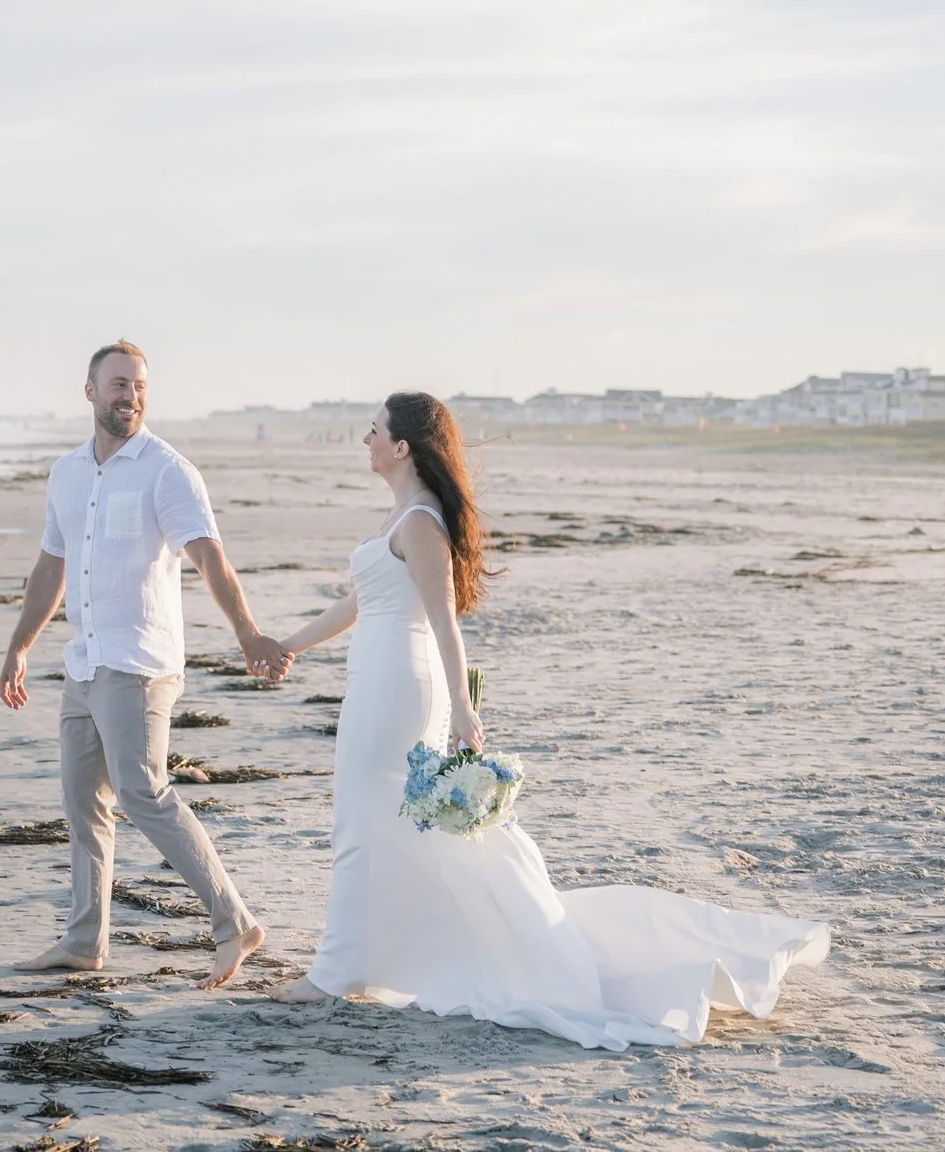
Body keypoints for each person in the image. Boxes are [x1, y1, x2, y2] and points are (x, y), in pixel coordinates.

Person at [263, 391, 830, 1049]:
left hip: (399, 688)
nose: (365, 440)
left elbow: (445, 623)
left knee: (365, 822)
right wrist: (287, 647)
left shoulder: (419, 523)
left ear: (402, 446)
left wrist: (463, 708)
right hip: (375, 682)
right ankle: (364, 960)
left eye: (374, 431)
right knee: (381, 825)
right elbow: (356, 603)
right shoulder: (402, 516)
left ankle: (336, 972)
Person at [0, 341, 285, 990]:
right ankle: (83, 941)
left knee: (142, 789)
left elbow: (210, 557)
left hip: (140, 662)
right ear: (90, 391)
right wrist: (20, 644)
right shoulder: (67, 472)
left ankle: (233, 921)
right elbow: (52, 566)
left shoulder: (167, 470)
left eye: (139, 386)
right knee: (81, 801)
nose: (130, 394)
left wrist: (247, 632)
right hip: (86, 660)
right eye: (119, 383)